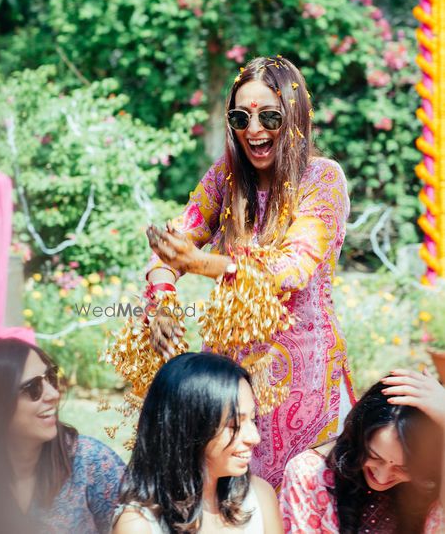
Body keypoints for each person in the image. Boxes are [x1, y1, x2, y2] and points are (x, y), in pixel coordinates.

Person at [145, 55, 354, 487]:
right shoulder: (225, 178)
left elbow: (290, 270)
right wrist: (162, 300)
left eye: (269, 116)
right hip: (231, 383)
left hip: (307, 384)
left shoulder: (322, 179)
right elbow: (170, 250)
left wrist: (203, 264)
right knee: (230, 502)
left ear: (294, 117)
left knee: (298, 502)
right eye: (241, 116)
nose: (253, 129)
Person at [112, 351, 282, 533]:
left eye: (253, 420)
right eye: (235, 425)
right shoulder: (140, 525)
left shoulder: (260, 497)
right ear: (189, 428)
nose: (254, 438)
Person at [280, 368, 445, 533]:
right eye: (374, 457)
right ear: (357, 436)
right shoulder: (309, 473)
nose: (382, 477)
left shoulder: (432, 481)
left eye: (403, 468)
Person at [0, 337, 125, 534]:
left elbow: (141, 521)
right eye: (33, 388)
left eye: (50, 378)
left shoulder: (89, 462)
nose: (54, 394)